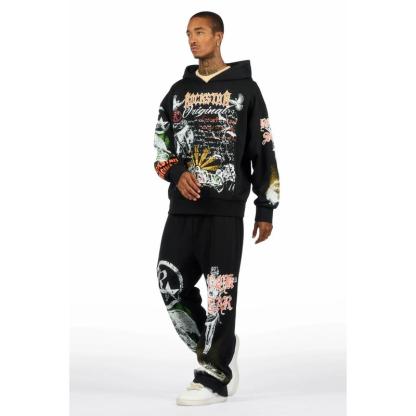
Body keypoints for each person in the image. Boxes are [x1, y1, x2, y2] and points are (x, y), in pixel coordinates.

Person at [153, 11, 280, 406]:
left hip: (225, 210)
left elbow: (263, 148)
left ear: (219, 36)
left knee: (220, 293)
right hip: (182, 209)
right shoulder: (178, 91)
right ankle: (219, 350)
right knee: (170, 284)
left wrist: (266, 206)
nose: (192, 39)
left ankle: (213, 376)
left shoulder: (246, 89)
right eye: (188, 34)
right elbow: (161, 146)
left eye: (200, 32)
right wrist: (177, 173)